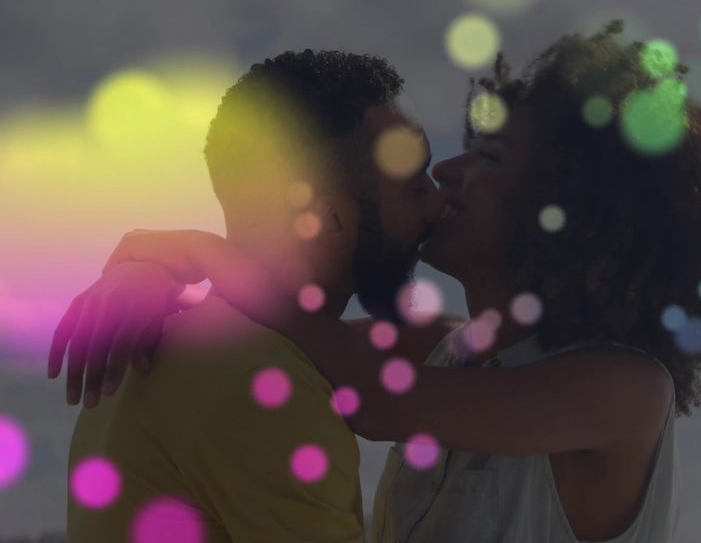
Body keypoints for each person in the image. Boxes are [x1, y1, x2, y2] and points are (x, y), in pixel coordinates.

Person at [53, 22, 701, 542]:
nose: (446, 172)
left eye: (490, 159)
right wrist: (150, 272)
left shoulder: (626, 391)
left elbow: (364, 393)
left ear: (568, 208)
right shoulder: (440, 349)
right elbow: (273, 332)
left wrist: (196, 253)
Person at [57, 50, 448, 542]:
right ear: (329, 218)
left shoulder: (172, 345)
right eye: (415, 186)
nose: (437, 205)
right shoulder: (262, 380)